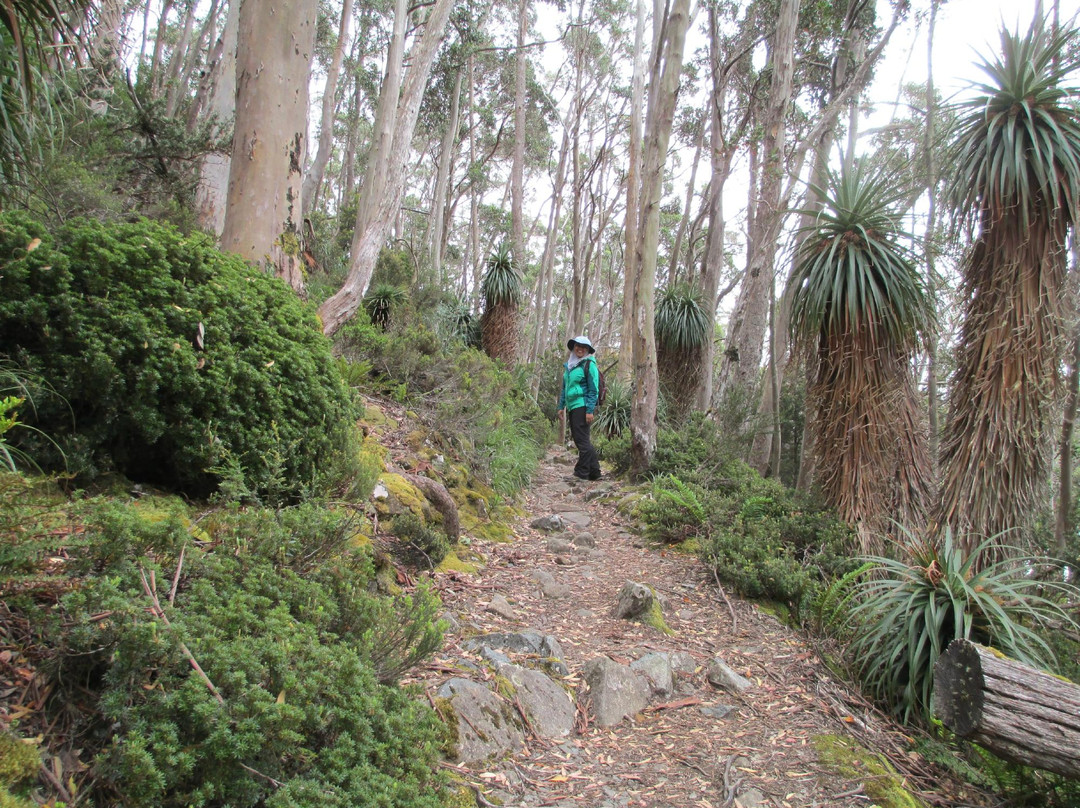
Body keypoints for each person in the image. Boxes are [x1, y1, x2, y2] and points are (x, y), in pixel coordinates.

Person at [557, 335, 602, 481]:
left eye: (584, 347)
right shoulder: (570, 366)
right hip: (572, 407)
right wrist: (561, 406)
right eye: (578, 346)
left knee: (581, 440)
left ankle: (581, 473)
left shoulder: (589, 365)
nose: (580, 349)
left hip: (582, 406)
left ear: (588, 350)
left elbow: (593, 390)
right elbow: (565, 389)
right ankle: (595, 472)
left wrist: (589, 411)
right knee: (583, 440)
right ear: (573, 348)